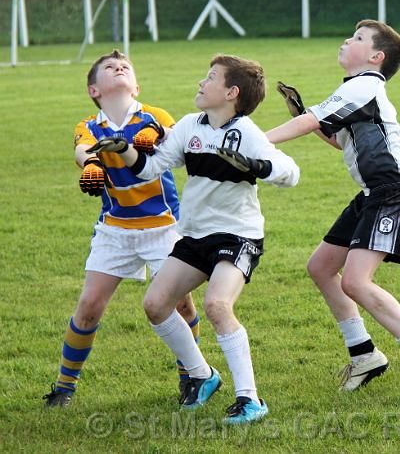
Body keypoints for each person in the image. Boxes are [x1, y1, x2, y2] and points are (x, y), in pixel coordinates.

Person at [88, 54, 300, 424]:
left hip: (238, 236)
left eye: (211, 77)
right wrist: (126, 151)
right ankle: (202, 375)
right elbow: (151, 168)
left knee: (217, 305)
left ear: (231, 93)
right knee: (155, 304)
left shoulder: (246, 132)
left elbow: (291, 173)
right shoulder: (189, 126)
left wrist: (255, 166)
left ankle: (250, 399)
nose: (202, 83)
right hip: (195, 235)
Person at [269, 20, 400, 400]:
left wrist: (254, 141)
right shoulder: (356, 88)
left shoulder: (365, 85)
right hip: (375, 192)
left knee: (355, 281)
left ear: (376, 57)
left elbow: (312, 121)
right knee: (321, 267)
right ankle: (364, 354)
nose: (346, 40)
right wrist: (302, 113)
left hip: (394, 191)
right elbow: (339, 140)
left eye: (357, 38)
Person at [43, 50, 201, 408]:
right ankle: (64, 388)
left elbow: (173, 137)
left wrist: (154, 134)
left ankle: (191, 377)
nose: (119, 68)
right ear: (94, 90)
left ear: (136, 86)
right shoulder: (89, 126)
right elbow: (83, 149)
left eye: (125, 67)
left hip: (164, 227)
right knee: (89, 306)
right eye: (110, 68)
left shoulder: (154, 115)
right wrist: (90, 164)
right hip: (115, 229)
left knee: (180, 305)